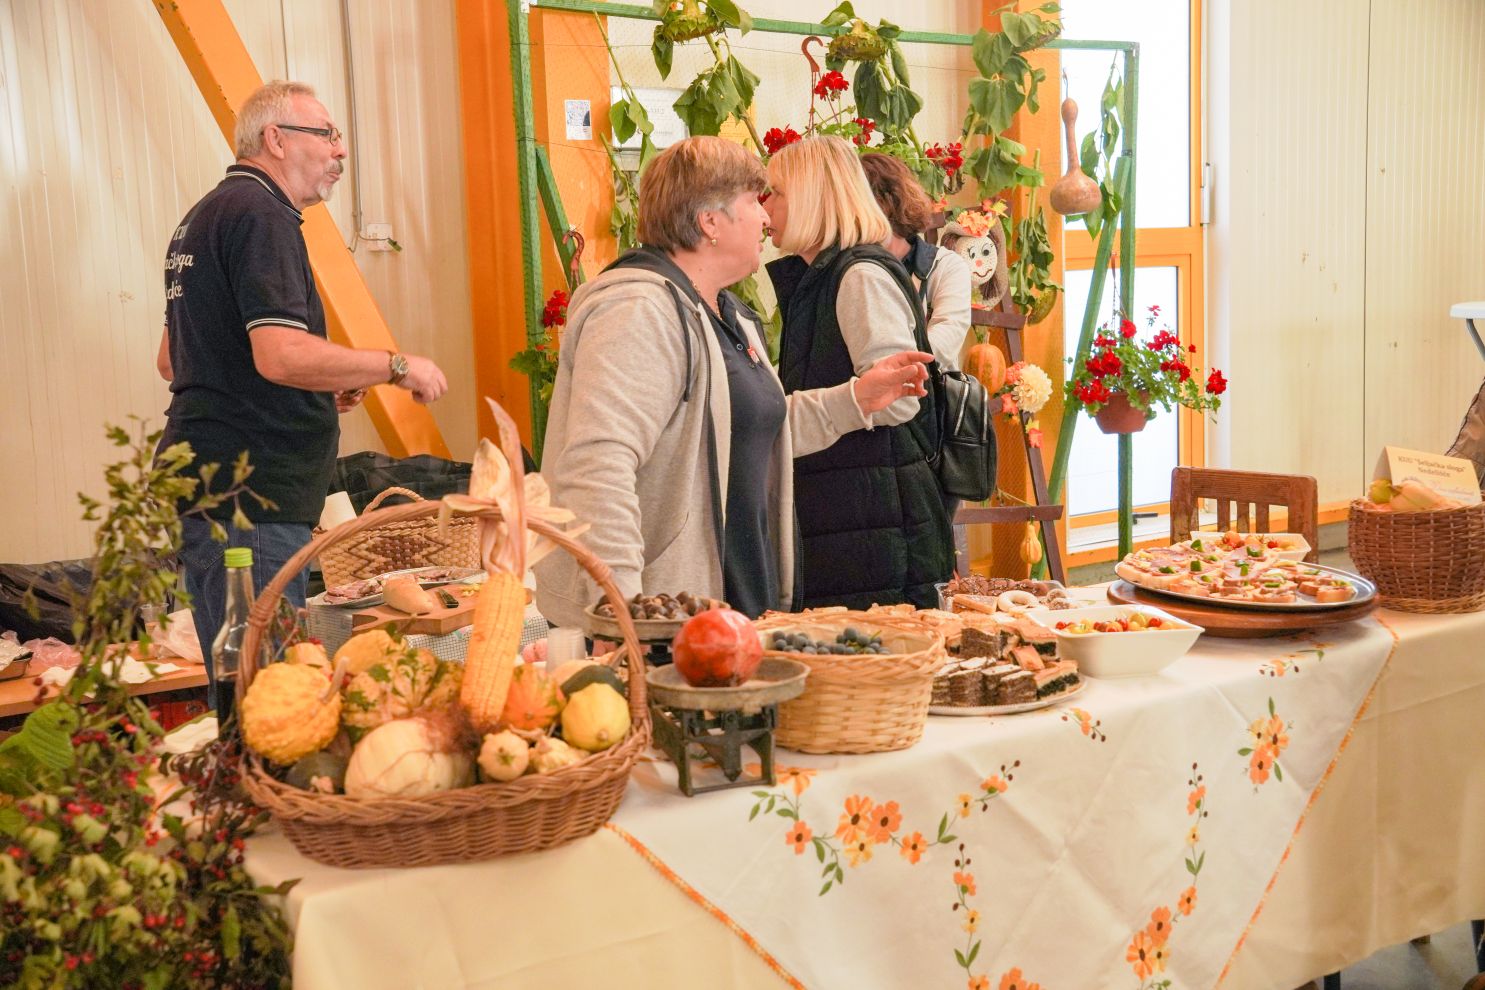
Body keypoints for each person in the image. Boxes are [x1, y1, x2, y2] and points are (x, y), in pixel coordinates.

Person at [534, 136, 933, 628]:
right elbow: (598, 467)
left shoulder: (728, 315)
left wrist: (856, 399)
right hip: (665, 618)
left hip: (735, 602)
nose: (766, 217)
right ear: (710, 222)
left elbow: (753, 429)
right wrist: (621, 612)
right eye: (753, 201)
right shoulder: (638, 311)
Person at [155, 80, 448, 699]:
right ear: (276, 139)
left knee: (242, 684)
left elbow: (174, 359)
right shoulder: (263, 216)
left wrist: (318, 389)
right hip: (252, 491)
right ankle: (263, 797)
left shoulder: (204, 216)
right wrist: (395, 366)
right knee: (272, 700)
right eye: (327, 134)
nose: (341, 152)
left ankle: (241, 788)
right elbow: (280, 354)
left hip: (212, 483)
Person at [763, 136, 955, 610]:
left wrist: (847, 402)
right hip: (857, 518)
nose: (765, 207)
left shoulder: (859, 277)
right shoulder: (824, 277)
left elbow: (902, 398)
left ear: (813, 198)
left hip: (877, 530)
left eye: (775, 192)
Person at [859, 152, 973, 370]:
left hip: (924, 392)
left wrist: (891, 367)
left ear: (884, 204)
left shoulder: (945, 266)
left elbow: (947, 335)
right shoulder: (852, 268)